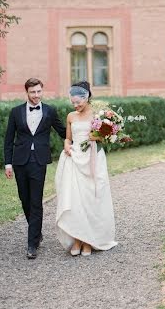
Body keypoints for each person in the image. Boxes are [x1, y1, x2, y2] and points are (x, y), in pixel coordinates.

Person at [4, 77, 66, 259]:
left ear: (42, 91)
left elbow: (63, 131)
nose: (36, 95)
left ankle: (32, 244)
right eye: (33, 92)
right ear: (27, 93)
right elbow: (8, 140)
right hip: (20, 161)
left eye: (39, 91)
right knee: (25, 200)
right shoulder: (15, 112)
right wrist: (8, 163)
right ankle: (37, 233)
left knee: (36, 201)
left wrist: (86, 133)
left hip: (39, 162)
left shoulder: (49, 111)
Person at [55, 80, 117, 256]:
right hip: (75, 159)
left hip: (93, 159)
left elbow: (106, 136)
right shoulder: (70, 116)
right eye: (73, 102)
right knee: (75, 200)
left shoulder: (99, 115)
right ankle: (77, 239)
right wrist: (66, 145)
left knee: (91, 198)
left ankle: (90, 240)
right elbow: (68, 138)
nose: (76, 105)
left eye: (78, 102)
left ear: (87, 96)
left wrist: (96, 137)